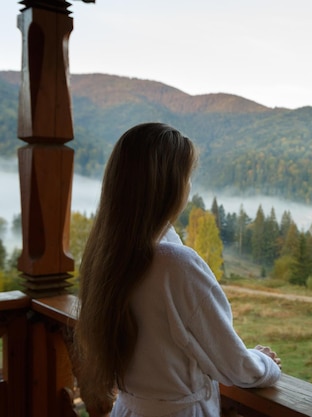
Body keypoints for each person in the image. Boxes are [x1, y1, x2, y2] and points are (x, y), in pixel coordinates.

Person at [74, 122, 281, 416]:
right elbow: (237, 368)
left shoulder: (104, 258)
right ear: (169, 186)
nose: (189, 185)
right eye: (186, 177)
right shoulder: (175, 265)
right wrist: (265, 362)